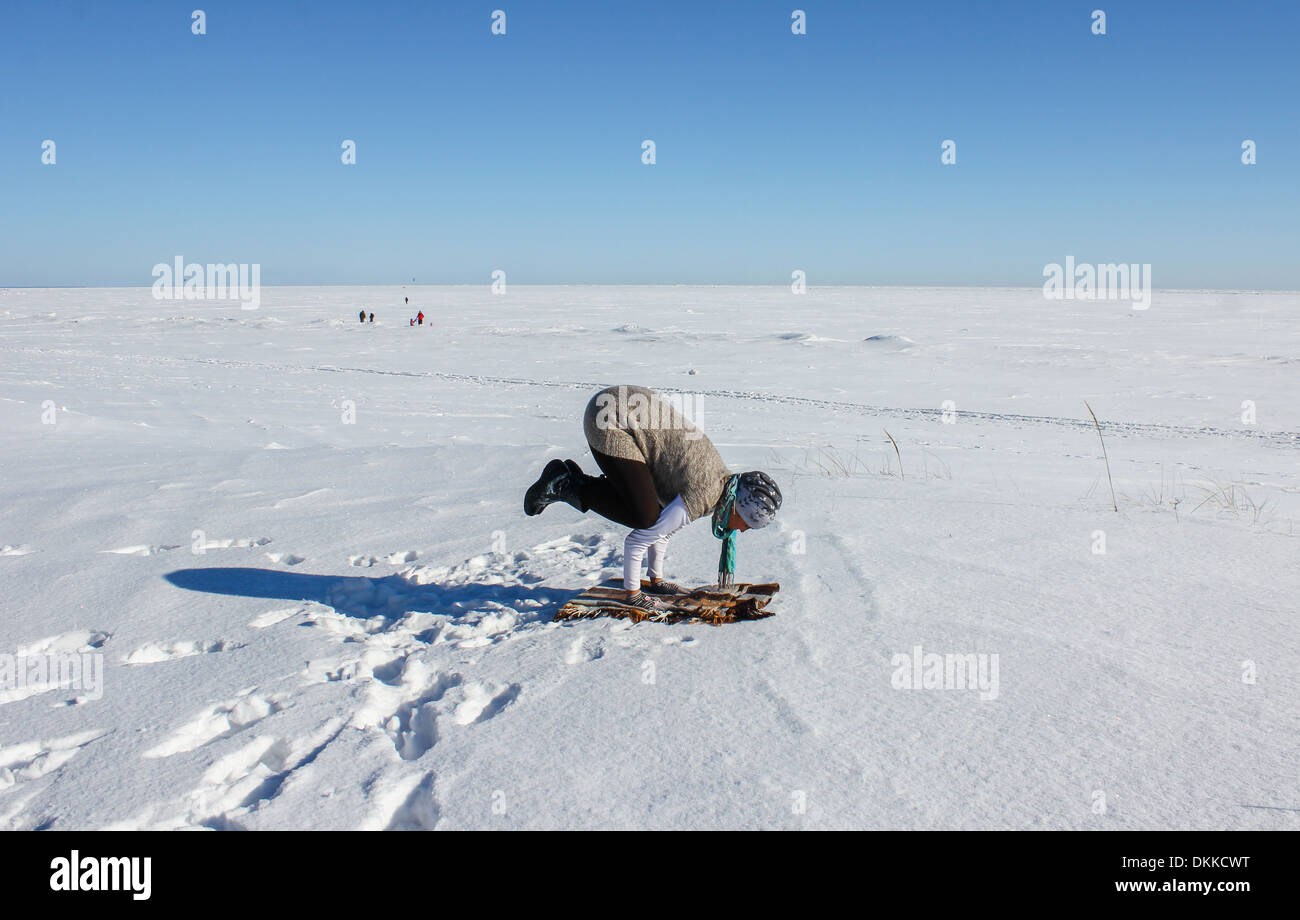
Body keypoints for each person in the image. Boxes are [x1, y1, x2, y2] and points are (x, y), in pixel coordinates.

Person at [524, 385, 781, 612]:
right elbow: (640, 539)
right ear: (737, 507)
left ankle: (574, 484)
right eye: (748, 523)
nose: (744, 530)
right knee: (644, 516)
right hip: (610, 419)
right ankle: (567, 484)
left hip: (621, 409)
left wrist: (657, 581)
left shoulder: (719, 484)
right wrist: (634, 595)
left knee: (651, 512)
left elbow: (665, 529)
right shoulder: (706, 493)